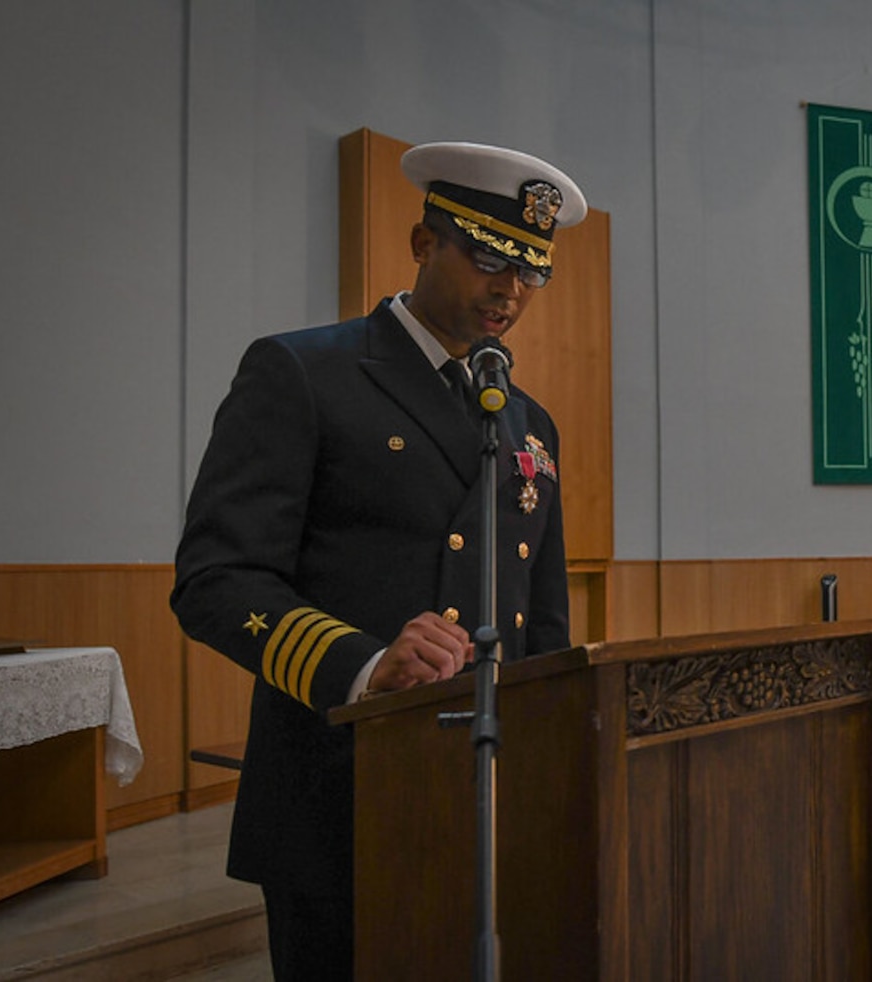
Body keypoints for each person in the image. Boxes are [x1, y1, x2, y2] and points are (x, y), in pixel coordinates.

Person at [170, 142, 584, 980]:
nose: (511, 288)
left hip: (490, 793)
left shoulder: (527, 422)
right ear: (422, 243)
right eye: (489, 256)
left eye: (532, 270)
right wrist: (362, 666)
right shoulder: (305, 372)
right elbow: (217, 578)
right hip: (339, 785)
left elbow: (540, 620)